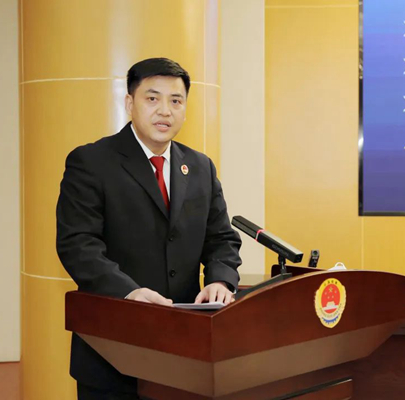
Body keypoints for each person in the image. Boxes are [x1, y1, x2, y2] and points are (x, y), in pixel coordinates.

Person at [56, 57, 242, 400]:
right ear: (130, 103)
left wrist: (220, 279)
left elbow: (221, 238)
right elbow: (78, 245)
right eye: (152, 98)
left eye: (176, 101)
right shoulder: (91, 162)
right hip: (112, 348)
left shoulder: (200, 166)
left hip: (186, 347)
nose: (165, 111)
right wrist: (129, 293)